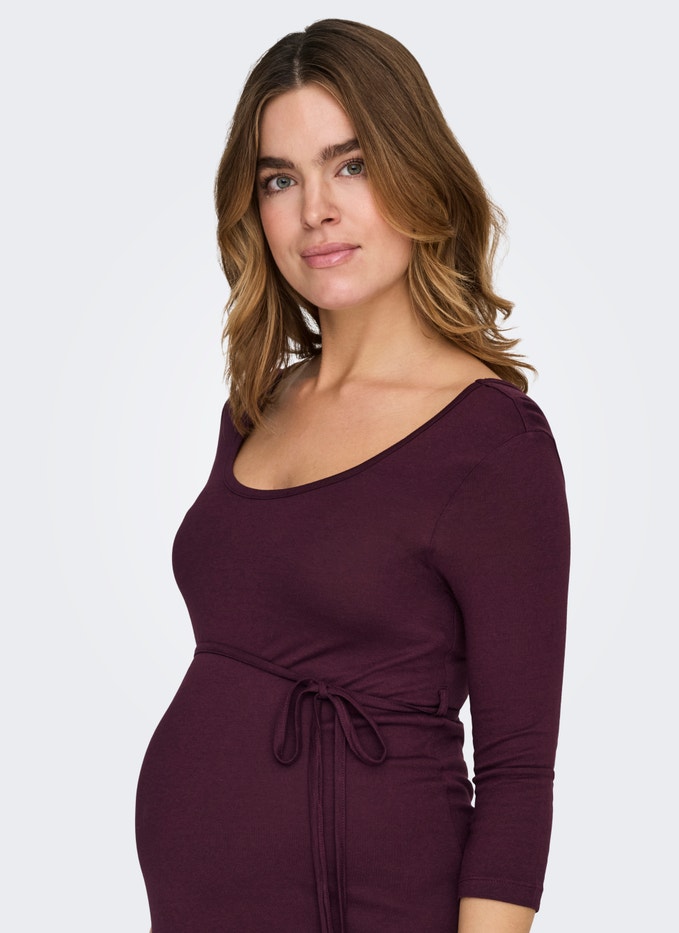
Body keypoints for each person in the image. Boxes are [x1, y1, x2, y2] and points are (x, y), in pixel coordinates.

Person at [135, 18, 570, 933]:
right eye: (280, 179)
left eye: (352, 165)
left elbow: (519, 775)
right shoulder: (256, 408)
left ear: (417, 174)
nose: (316, 211)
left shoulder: (494, 443)